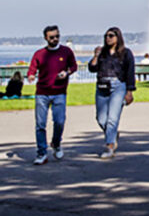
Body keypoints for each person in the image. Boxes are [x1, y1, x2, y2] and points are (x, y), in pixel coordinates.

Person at [26, 25, 78, 165]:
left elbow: (73, 66)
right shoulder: (40, 53)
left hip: (59, 92)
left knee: (59, 121)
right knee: (40, 124)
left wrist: (66, 73)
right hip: (42, 93)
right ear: (46, 38)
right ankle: (42, 153)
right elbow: (32, 68)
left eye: (57, 36)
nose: (55, 39)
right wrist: (31, 75)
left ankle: (56, 143)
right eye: (52, 37)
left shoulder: (66, 51)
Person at [88, 26, 136, 158]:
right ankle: (113, 133)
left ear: (117, 37)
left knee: (112, 118)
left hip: (118, 86)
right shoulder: (102, 53)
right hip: (102, 86)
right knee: (101, 118)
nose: (108, 38)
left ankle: (109, 146)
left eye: (111, 36)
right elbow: (92, 68)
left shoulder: (126, 53)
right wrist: (96, 56)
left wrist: (130, 91)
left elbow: (130, 72)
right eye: (106, 36)